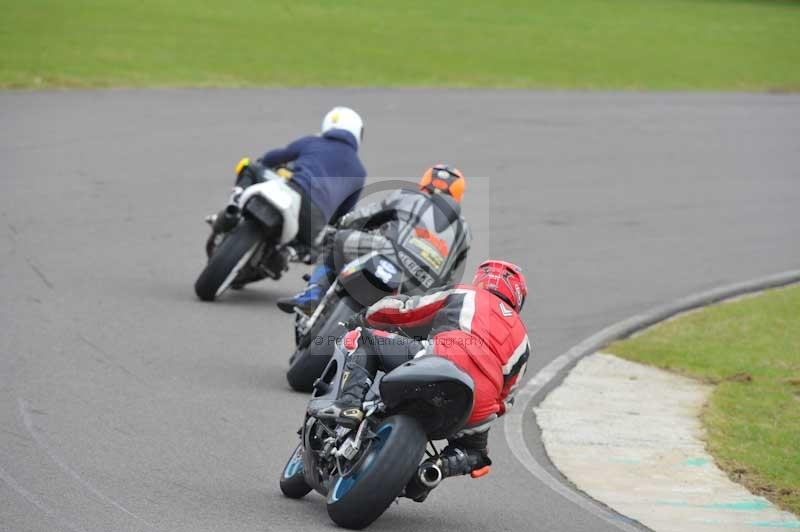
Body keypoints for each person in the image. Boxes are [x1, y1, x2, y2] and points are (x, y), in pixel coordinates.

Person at [309, 260, 530, 489]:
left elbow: (405, 309)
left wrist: (364, 317)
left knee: (364, 339)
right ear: (517, 297)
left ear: (482, 279)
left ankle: (349, 404)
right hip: (478, 401)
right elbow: (506, 399)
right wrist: (484, 410)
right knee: (476, 454)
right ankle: (434, 471)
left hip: (442, 359)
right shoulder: (523, 341)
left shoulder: (466, 293)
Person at [276, 164, 470, 314]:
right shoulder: (464, 232)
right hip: (423, 290)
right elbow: (452, 277)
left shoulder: (407, 196)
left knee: (336, 240)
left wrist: (344, 222)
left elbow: (366, 216)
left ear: (425, 182)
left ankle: (312, 295)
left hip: (390, 253)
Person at [207, 106, 367, 253]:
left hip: (295, 192)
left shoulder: (314, 141)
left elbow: (272, 158)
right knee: (311, 249)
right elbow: (344, 214)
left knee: (249, 167)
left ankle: (233, 209)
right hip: (315, 220)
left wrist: (267, 165)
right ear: (357, 133)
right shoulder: (360, 172)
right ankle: (292, 252)